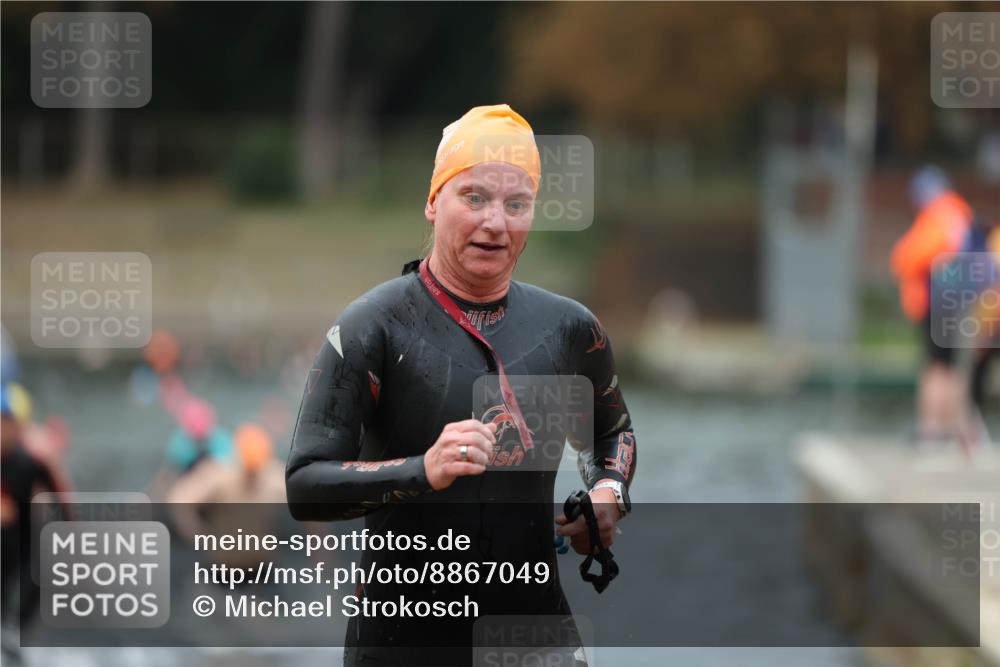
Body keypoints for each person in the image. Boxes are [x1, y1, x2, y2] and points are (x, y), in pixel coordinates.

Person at [286, 104, 637, 665]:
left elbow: (610, 434)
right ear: (432, 202)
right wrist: (422, 470)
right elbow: (305, 484)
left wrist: (606, 495)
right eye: (473, 197)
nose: (495, 222)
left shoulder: (570, 331)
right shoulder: (372, 326)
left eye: (515, 204)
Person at [890, 166, 988, 451]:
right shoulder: (958, 214)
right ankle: (953, 429)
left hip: (943, 303)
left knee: (939, 368)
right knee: (952, 367)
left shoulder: (943, 216)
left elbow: (913, 256)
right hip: (956, 302)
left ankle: (936, 430)